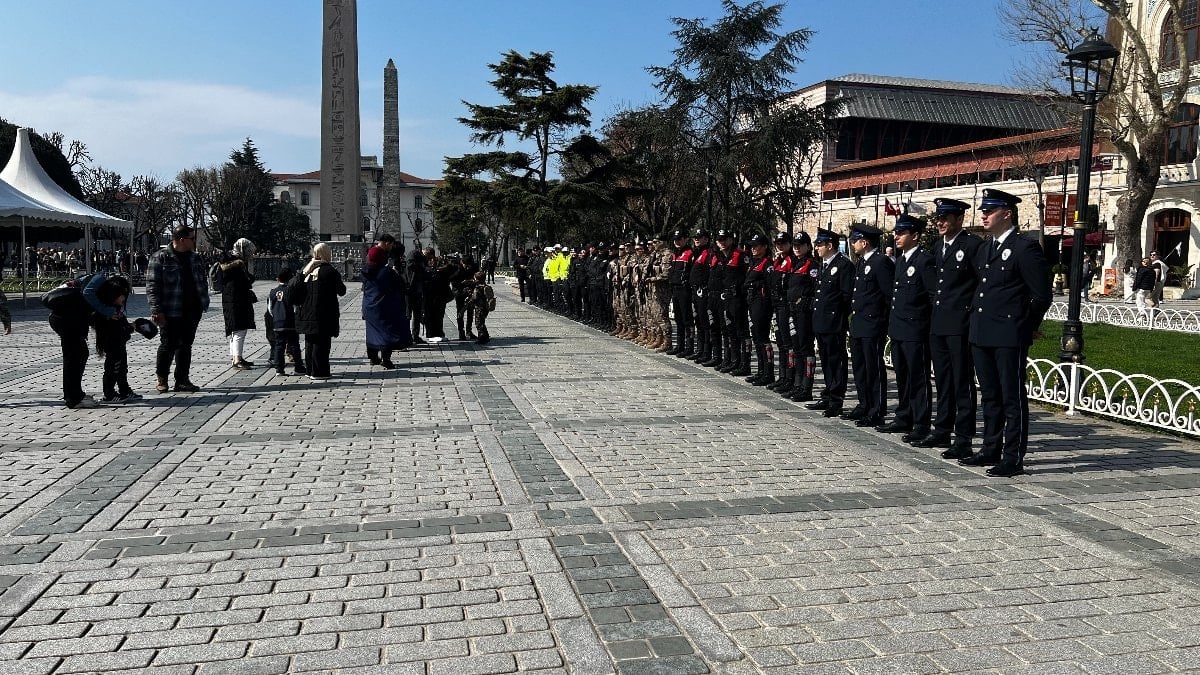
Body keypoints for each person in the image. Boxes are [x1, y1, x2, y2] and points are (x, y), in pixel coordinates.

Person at [961, 189, 1051, 478]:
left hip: (1009, 332)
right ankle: (990, 447)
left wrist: (1029, 325)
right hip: (982, 330)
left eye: (990, 210)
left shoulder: (1025, 248)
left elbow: (1041, 294)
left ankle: (1012, 456)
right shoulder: (985, 248)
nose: (983, 215)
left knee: (1011, 396)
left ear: (1007, 213)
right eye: (983, 210)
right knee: (989, 394)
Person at [916, 198, 983, 459]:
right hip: (939, 322)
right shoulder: (939, 246)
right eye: (938, 218)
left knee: (961, 382)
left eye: (946, 218)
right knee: (943, 379)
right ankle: (942, 428)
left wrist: (970, 310)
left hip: (960, 324)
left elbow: (981, 282)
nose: (940, 222)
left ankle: (964, 437)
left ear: (959, 219)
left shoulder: (971, 245)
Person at [877, 215, 936, 441]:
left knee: (918, 378)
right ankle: (904, 416)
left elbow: (931, 297)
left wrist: (925, 325)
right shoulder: (901, 260)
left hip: (916, 329)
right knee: (902, 375)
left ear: (915, 236)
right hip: (899, 328)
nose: (896, 236)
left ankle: (921, 423)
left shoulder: (924, 260)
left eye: (901, 233)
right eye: (896, 232)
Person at [146, 226, 209, 393]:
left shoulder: (195, 258)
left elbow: (202, 280)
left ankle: (182, 380)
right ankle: (162, 378)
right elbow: (152, 286)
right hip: (170, 310)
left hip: (192, 309)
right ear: (182, 239)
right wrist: (156, 309)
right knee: (168, 345)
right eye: (192, 238)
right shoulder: (160, 258)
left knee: (185, 345)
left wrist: (203, 302)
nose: (194, 241)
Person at [843, 223, 893, 427]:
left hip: (873, 324)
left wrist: (882, 322)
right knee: (860, 367)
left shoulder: (881, 262)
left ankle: (876, 409)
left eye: (855, 241)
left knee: (873, 368)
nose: (853, 244)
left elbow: (888, 295)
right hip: (859, 323)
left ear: (865, 242)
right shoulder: (863, 262)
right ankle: (864, 403)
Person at [806, 229, 854, 417]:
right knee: (826, 361)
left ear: (829, 246)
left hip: (834, 322)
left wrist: (837, 317)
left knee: (836, 361)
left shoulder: (843, 265)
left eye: (819, 244)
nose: (816, 248)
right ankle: (828, 393)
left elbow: (846, 295)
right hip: (822, 321)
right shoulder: (824, 265)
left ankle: (836, 399)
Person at [85, 273, 144, 403]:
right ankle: (109, 394)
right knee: (113, 369)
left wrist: (132, 327)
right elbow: (117, 331)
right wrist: (131, 328)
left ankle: (124, 391)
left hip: (119, 346)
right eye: (122, 295)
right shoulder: (107, 313)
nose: (124, 298)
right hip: (113, 346)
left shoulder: (114, 310)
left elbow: (122, 329)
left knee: (122, 368)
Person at [293, 243, 347, 379]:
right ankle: (319, 372)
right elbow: (342, 291)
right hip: (324, 312)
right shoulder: (330, 271)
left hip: (305, 312)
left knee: (310, 341)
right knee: (322, 343)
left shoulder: (306, 269)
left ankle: (309, 370)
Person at [361, 245, 412, 368]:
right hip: (385, 306)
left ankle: (373, 358)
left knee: (372, 332)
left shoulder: (365, 271)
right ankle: (386, 359)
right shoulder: (387, 272)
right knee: (386, 332)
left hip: (369, 306)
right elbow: (401, 285)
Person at [220, 238, 258, 370]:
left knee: (234, 330)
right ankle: (237, 359)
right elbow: (243, 282)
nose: (251, 255)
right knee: (239, 330)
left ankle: (235, 357)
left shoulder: (229, 261)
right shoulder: (238, 265)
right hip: (237, 300)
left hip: (230, 300)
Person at [744, 234, 775, 385]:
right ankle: (761, 370)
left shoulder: (767, 263)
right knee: (756, 336)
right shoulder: (754, 262)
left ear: (764, 247)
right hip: (753, 301)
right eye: (752, 246)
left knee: (763, 338)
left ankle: (768, 372)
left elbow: (769, 284)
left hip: (762, 303)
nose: (753, 248)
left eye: (757, 245)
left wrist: (755, 286)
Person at [267, 268, 305, 376]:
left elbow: (270, 308)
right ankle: (298, 367)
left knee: (279, 346)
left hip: (277, 322)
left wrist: (275, 316)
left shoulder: (272, 292)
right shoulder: (290, 290)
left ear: (277, 279)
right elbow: (295, 307)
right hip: (290, 321)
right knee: (294, 345)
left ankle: (279, 369)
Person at [666, 230, 694, 356]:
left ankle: (690, 346)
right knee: (678, 318)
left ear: (685, 239)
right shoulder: (674, 254)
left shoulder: (689, 253)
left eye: (680, 239)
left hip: (685, 290)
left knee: (687, 319)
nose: (677, 242)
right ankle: (680, 345)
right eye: (675, 239)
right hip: (675, 289)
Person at [471, 271, 495, 344]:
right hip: (485, 308)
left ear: (478, 279)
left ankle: (482, 338)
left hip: (480, 307)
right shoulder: (485, 286)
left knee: (479, 323)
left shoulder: (479, 288)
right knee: (482, 322)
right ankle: (486, 336)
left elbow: (475, 298)